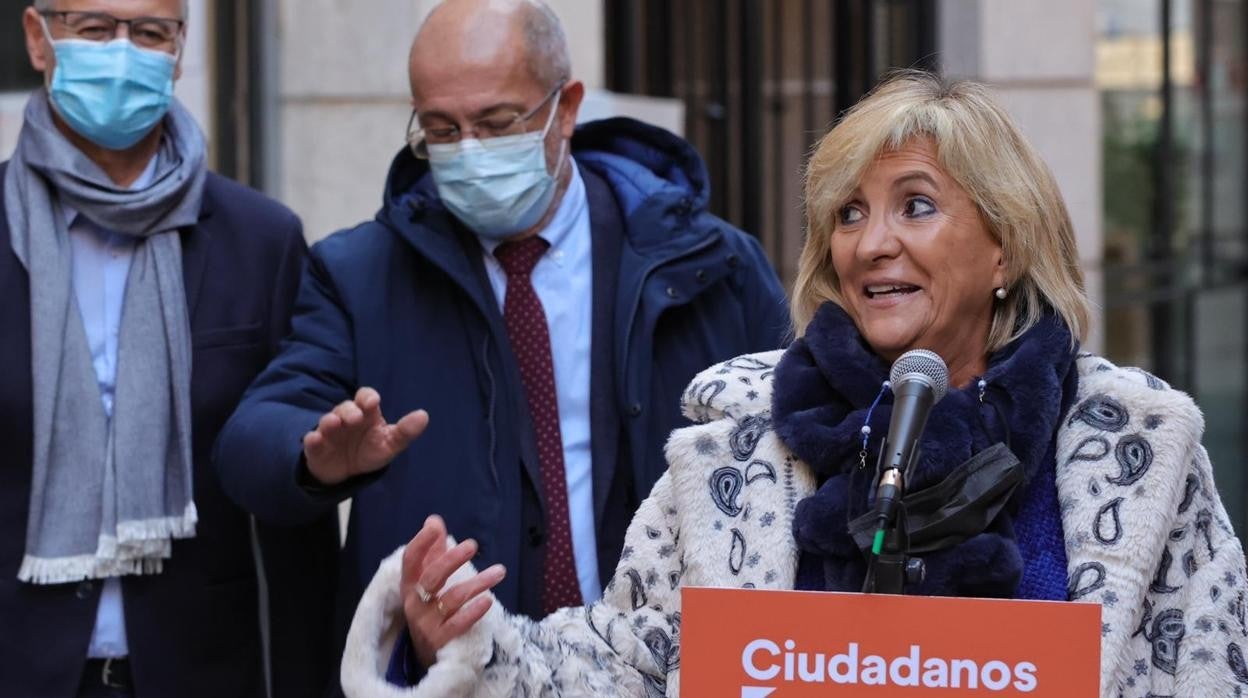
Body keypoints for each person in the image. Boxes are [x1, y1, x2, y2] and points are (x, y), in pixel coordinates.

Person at [341, 71, 1248, 696]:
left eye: (916, 205)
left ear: (1005, 243)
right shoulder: (738, 445)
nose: (871, 241)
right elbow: (627, 665)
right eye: (848, 213)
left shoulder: (1136, 456)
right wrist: (469, 640)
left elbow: (1206, 674)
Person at [213, 0, 789, 685]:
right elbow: (251, 440)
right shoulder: (360, 275)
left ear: (565, 108)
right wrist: (315, 459)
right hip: (459, 670)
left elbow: (796, 452)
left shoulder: (709, 267)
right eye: (441, 129)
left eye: (495, 122)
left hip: (670, 668)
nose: (471, 151)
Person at [0, 1, 339, 696]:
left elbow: (293, 528)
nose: (123, 53)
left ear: (179, 51)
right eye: (94, 29)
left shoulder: (260, 241)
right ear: (38, 39)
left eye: (150, 33)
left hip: (202, 669)